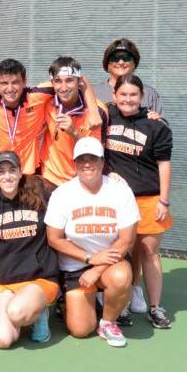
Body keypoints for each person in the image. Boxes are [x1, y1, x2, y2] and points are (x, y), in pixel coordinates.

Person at [45, 137, 139, 347]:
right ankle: (81, 301)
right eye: (81, 159)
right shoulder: (62, 194)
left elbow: (126, 240)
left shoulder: (120, 190)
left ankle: (108, 322)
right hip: (76, 265)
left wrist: (96, 268)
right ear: (74, 163)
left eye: (93, 158)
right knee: (81, 330)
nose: (87, 164)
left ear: (103, 162)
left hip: (110, 262)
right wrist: (88, 257)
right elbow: (54, 238)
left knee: (121, 277)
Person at [104, 74, 174, 329]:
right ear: (114, 96)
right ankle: (120, 304)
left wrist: (163, 201)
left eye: (133, 95)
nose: (128, 99)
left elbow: (164, 165)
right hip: (117, 200)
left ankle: (156, 307)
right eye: (123, 94)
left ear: (142, 97)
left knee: (148, 251)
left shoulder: (156, 125)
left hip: (148, 197)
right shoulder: (105, 116)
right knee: (119, 250)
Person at [0, 152, 59, 348]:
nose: (7, 176)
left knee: (16, 313)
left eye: (12, 170)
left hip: (41, 277)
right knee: (3, 340)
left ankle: (40, 311)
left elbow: (71, 192)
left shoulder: (40, 194)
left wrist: (110, 174)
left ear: (20, 172)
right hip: (9, 281)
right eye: (1, 172)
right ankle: (27, 309)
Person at [0, 58, 101, 176]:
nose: (10, 88)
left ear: (24, 82)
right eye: (4, 83)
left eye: (15, 82)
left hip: (29, 171)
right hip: (1, 168)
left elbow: (78, 81)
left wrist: (94, 111)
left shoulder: (37, 96)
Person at [40, 57, 106, 187]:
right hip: (50, 179)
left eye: (69, 80)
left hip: (81, 180)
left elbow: (95, 152)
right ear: (52, 83)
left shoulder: (98, 111)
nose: (63, 88)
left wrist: (74, 132)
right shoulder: (46, 102)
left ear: (79, 81)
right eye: (58, 81)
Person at [93, 38, 163, 117]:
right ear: (107, 65)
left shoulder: (149, 93)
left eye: (126, 58)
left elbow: (162, 126)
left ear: (134, 64)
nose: (121, 62)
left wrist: (157, 119)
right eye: (115, 58)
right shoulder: (92, 93)